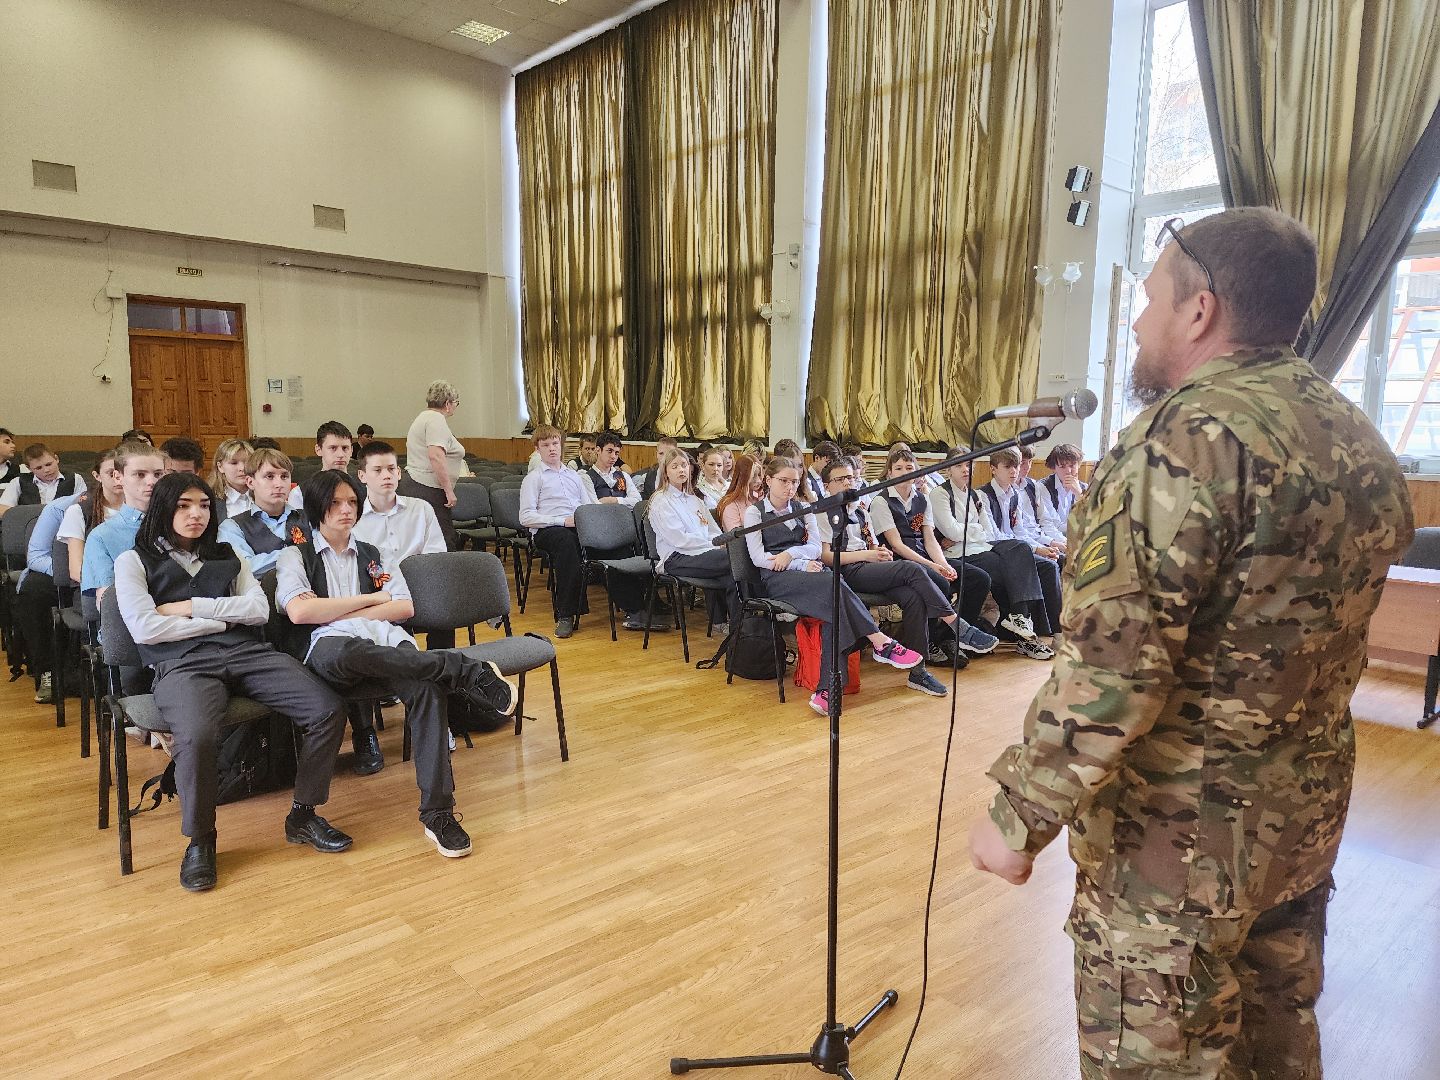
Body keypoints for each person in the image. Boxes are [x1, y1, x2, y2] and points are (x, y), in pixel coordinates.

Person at [968, 207, 1414, 1078]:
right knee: (1275, 1044)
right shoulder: (1356, 437)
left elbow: (1114, 666)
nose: (1137, 322)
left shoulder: (1185, 442)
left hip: (1174, 851)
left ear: (1199, 310)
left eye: (1147, 298)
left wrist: (1018, 815)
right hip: (1298, 823)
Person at [114, 472, 350, 891]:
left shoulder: (227, 554)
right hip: (183, 664)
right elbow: (146, 629)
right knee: (198, 735)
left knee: (326, 708)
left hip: (247, 653)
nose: (196, 514)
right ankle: (201, 840)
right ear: (164, 509)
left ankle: (303, 813)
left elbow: (258, 610)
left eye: (204, 505)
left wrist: (190, 610)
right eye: (184, 505)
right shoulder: (133, 560)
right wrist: (223, 619)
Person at [275, 469, 517, 856]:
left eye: (352, 502)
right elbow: (301, 614)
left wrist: (336, 610)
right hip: (330, 650)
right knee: (351, 650)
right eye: (335, 503)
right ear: (317, 508)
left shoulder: (374, 552)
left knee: (426, 690)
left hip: (389, 645)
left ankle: (438, 813)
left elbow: (403, 606)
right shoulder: (295, 555)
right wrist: (370, 600)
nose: (345, 510)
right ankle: (462, 668)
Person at [743, 456, 923, 715]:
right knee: (832, 580)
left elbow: (816, 547)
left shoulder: (804, 508)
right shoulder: (754, 512)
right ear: (769, 480)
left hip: (809, 571)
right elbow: (759, 557)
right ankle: (879, 640)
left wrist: (794, 555)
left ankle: (828, 691)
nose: (789, 487)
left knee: (833, 612)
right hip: (776, 578)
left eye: (794, 482)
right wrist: (797, 563)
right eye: (783, 481)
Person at [813, 458, 963, 697]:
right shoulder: (822, 512)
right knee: (912, 569)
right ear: (826, 486)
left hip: (869, 567)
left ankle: (918, 671)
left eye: (851, 478)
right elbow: (827, 556)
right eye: (840, 479)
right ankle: (955, 623)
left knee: (914, 597)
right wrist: (870, 554)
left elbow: (872, 541)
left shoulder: (861, 508)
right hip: (845, 573)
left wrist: (879, 552)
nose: (847, 483)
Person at [519, 426, 655, 638]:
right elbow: (526, 517)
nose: (552, 449)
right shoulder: (534, 478)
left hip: (579, 525)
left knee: (614, 548)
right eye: (546, 445)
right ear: (538, 448)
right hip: (549, 529)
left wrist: (593, 525)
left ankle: (635, 610)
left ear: (561, 445)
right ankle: (566, 614)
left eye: (555, 444)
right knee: (568, 546)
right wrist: (561, 521)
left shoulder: (574, 476)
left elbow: (589, 504)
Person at [868, 448, 997, 657]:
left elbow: (929, 540)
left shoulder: (922, 499)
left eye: (909, 468)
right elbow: (896, 544)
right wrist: (932, 567)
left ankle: (949, 637)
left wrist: (943, 564)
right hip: (901, 562)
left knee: (978, 579)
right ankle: (932, 642)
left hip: (926, 557)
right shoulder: (881, 501)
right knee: (939, 581)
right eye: (898, 468)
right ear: (889, 473)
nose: (904, 472)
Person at [929, 456, 1057, 661]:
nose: (965, 469)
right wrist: (971, 530)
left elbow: (988, 532)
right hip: (957, 553)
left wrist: (966, 532)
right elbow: (951, 532)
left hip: (981, 547)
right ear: (948, 470)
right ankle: (1021, 627)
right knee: (1006, 568)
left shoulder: (974, 495)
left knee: (1021, 549)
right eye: (958, 466)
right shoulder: (940, 494)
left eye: (968, 465)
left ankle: (1020, 619)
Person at [647, 447, 735, 633]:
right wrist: (712, 545)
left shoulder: (694, 500)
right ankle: (738, 625)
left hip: (702, 552)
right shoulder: (661, 501)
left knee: (732, 570)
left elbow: (712, 530)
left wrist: (716, 543)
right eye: (675, 466)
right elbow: (679, 540)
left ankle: (733, 623)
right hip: (676, 557)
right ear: (665, 472)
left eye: (684, 465)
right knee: (733, 560)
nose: (681, 470)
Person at [81, 440, 165, 599]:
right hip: (133, 619)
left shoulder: (182, 526)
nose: (151, 482)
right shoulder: (102, 537)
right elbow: (107, 605)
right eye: (140, 474)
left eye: (158, 474)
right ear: (118, 477)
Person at [218, 448, 312, 578]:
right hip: (262, 596)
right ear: (250, 482)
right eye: (269, 476)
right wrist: (298, 552)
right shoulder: (232, 526)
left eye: (284, 476)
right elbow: (244, 568)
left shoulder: (310, 518)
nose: (279, 484)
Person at [401, 382, 466, 551]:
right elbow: (436, 456)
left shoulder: (424, 417)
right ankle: (445, 577)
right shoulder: (436, 420)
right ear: (447, 403)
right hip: (428, 487)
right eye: (456, 403)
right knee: (444, 541)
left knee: (427, 539)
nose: (455, 407)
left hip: (417, 484)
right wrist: (449, 490)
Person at [982, 448, 1063, 566]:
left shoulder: (1017, 494)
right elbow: (993, 536)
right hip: (1001, 548)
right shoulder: (983, 495)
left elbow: (1020, 530)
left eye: (1016, 466)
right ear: (993, 469)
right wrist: (1036, 549)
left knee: (1055, 559)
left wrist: (1042, 546)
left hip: (1021, 543)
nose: (1013, 471)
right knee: (1050, 565)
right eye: (1007, 467)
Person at [0, 443, 83, 516]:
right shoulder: (18, 482)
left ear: (56, 459)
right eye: (38, 468)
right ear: (29, 468)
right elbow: (3, 510)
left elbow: (84, 507)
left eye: (48, 464)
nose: (46, 470)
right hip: (28, 527)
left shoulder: (75, 479)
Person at [289, 421, 354, 509]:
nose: (340, 454)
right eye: (333, 448)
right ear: (318, 450)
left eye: (345, 448)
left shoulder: (366, 490)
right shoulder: (300, 493)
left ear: (352, 450)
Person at [1035, 443, 1086, 545]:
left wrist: (1079, 495)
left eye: (1072, 465)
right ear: (1054, 468)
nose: (1068, 471)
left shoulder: (1084, 488)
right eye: (1062, 466)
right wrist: (1066, 543)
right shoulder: (1043, 487)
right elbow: (1050, 524)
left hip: (1077, 539)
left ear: (1079, 465)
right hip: (1052, 539)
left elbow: (1089, 519)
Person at [579, 431, 639, 506]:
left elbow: (637, 501)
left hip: (624, 516)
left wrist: (614, 500)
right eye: (609, 451)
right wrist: (626, 501)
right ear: (598, 450)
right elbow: (593, 507)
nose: (613, 456)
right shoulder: (586, 478)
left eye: (616, 453)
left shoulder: (624, 476)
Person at [716, 453, 764, 532]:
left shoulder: (758, 497)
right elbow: (738, 539)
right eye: (753, 476)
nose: (758, 481)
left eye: (759, 475)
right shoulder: (730, 505)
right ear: (742, 478)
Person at [210, 438, 254, 523]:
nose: (242, 468)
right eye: (234, 463)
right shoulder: (210, 500)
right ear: (220, 467)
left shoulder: (264, 495)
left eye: (247, 462)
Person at [636, 436, 679, 500]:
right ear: (656, 454)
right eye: (661, 453)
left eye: (669, 454)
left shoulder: (681, 475)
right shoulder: (650, 475)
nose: (664, 458)